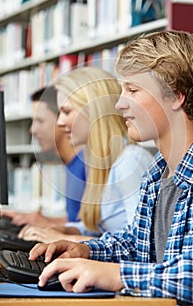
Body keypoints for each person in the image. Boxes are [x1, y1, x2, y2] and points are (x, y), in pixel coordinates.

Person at [29, 31, 193, 305]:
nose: (120, 103)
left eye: (133, 90)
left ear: (176, 96)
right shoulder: (157, 173)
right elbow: (139, 245)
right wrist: (86, 250)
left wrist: (121, 275)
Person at [20, 66, 153, 243]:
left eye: (66, 112)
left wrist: (66, 239)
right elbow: (100, 227)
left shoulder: (130, 161)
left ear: (94, 109)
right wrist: (63, 230)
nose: (59, 123)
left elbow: (141, 244)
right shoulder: (99, 161)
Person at [1, 86, 86, 228]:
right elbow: (79, 224)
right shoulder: (72, 165)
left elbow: (97, 233)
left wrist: (46, 224)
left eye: (40, 121)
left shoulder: (86, 166)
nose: (32, 130)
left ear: (62, 119)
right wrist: (39, 220)